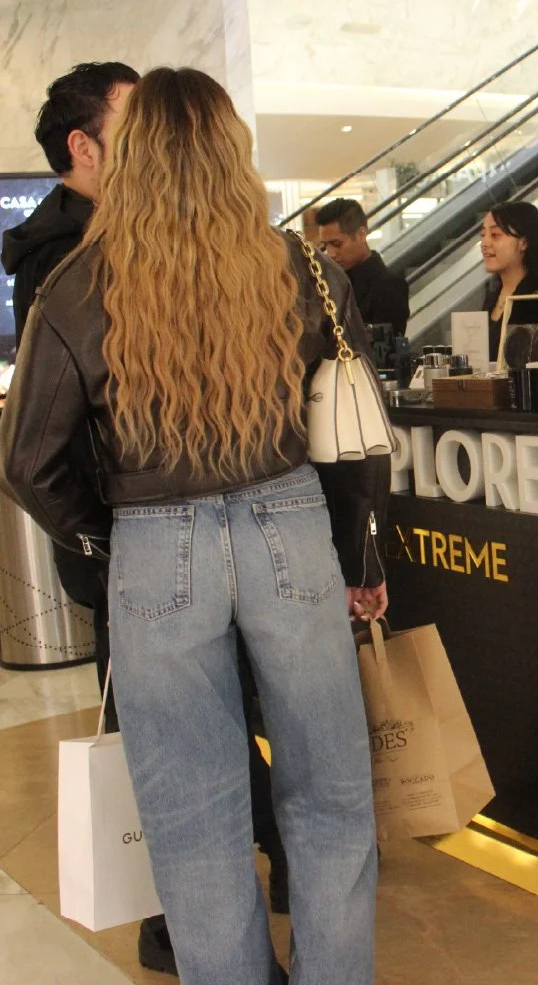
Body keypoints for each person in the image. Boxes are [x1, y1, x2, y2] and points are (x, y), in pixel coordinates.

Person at [0, 67, 386, 984]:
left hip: (153, 544)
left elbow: (25, 462)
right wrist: (363, 553)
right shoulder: (299, 266)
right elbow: (359, 429)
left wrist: (105, 538)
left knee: (193, 816)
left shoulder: (80, 282)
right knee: (329, 797)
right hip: (289, 524)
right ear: (231, 151)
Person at [2, 62, 138, 714]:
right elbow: (41, 449)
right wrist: (108, 537)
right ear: (84, 148)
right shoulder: (62, 257)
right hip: (129, 539)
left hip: (152, 533)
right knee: (145, 722)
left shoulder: (126, 233)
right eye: (135, 125)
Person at [480, 201, 538, 361]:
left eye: (495, 235)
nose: (485, 243)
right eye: (483, 235)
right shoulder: (491, 297)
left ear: (523, 243)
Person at [316, 197, 409, 336]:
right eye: (324, 246)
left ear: (361, 234)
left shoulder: (389, 285)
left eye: (336, 244)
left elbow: (383, 351)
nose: (330, 254)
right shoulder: (328, 283)